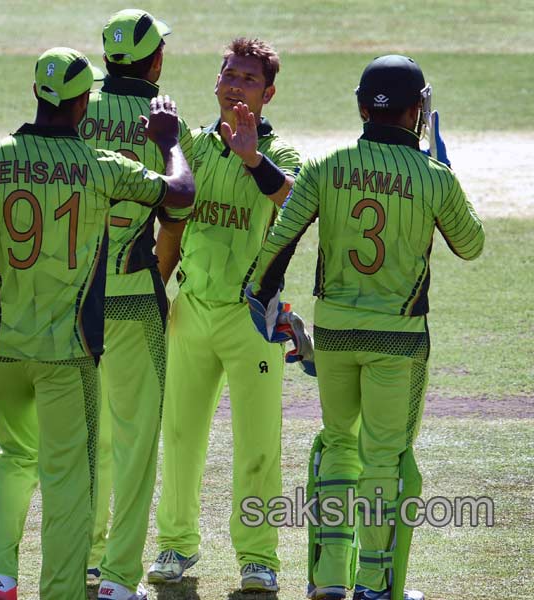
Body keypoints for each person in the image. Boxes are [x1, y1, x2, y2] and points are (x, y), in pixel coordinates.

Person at [0, 47, 194, 600]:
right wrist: (169, 144)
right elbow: (180, 193)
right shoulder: (99, 167)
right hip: (67, 355)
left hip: (1, 347)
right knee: (72, 482)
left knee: (13, 457)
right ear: (81, 101)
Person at [245, 55, 484, 600]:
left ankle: (329, 579)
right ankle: (375, 585)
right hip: (398, 339)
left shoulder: (327, 164)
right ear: (417, 110)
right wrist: (448, 176)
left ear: (360, 107)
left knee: (336, 445)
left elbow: (281, 239)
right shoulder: (432, 177)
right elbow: (471, 245)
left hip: (335, 334)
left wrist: (262, 300)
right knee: (384, 458)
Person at [148, 37, 303, 595]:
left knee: (258, 445)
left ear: (268, 93)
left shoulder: (280, 153)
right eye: (229, 75)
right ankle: (175, 543)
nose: (235, 85)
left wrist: (250, 157)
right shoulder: (191, 144)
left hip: (252, 319)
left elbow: (293, 201)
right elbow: (169, 207)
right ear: (217, 82)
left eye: (248, 79)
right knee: (180, 435)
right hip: (190, 312)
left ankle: (258, 557)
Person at [77, 9, 193, 600]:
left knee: (81, 439)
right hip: (133, 295)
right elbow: (177, 212)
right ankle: (121, 577)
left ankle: (85, 562)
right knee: (136, 446)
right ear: (153, 61)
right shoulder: (165, 121)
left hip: (73, 305)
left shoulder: (77, 109)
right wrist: (159, 273)